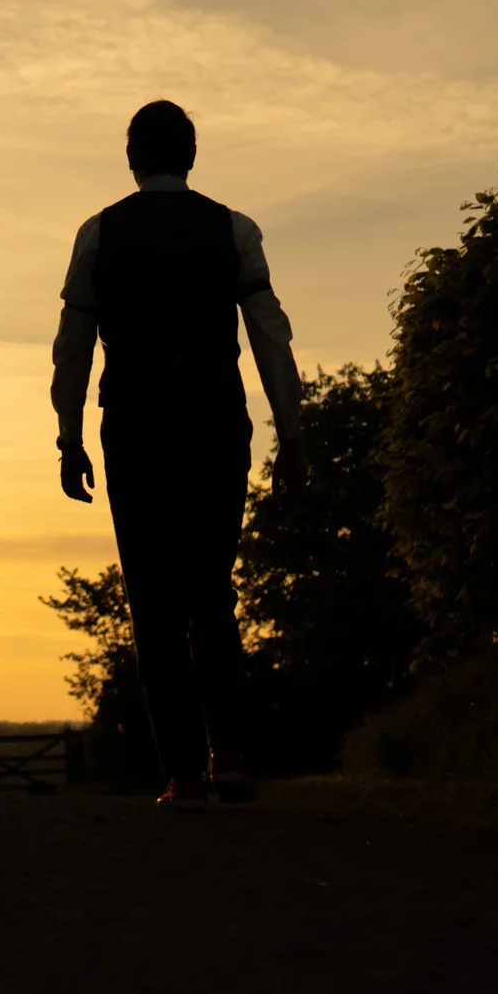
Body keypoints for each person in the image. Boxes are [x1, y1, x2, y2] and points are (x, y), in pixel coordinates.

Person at [52, 100, 308, 807]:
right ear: (191, 156)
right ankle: (229, 754)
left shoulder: (99, 234)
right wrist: (292, 433)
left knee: (154, 600)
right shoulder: (233, 229)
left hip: (133, 423)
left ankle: (185, 772)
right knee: (212, 591)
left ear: (132, 158)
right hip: (215, 421)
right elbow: (269, 337)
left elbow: (73, 346)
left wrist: (68, 434)